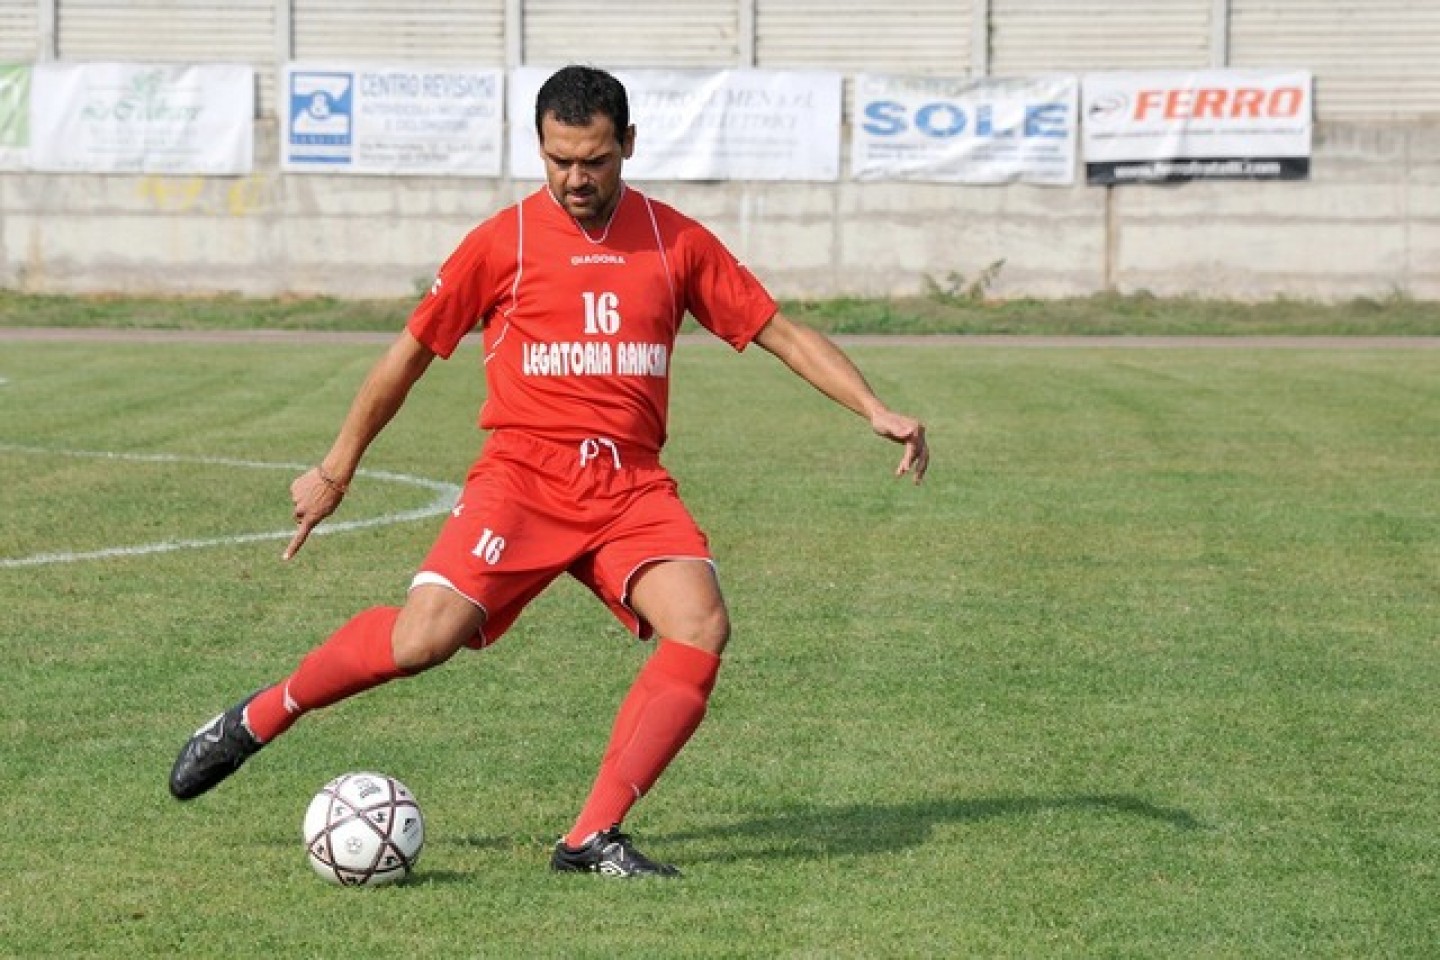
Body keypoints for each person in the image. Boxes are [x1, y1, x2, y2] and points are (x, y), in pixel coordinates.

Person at [169, 64, 929, 879]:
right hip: (521, 481)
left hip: (631, 487)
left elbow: (778, 330)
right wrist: (336, 468)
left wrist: (871, 406)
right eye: (559, 159)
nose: (576, 178)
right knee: (422, 641)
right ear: (539, 148)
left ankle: (590, 838)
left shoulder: (677, 241)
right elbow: (409, 356)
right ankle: (257, 718)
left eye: (594, 160)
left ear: (628, 146)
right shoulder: (503, 242)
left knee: (701, 624)